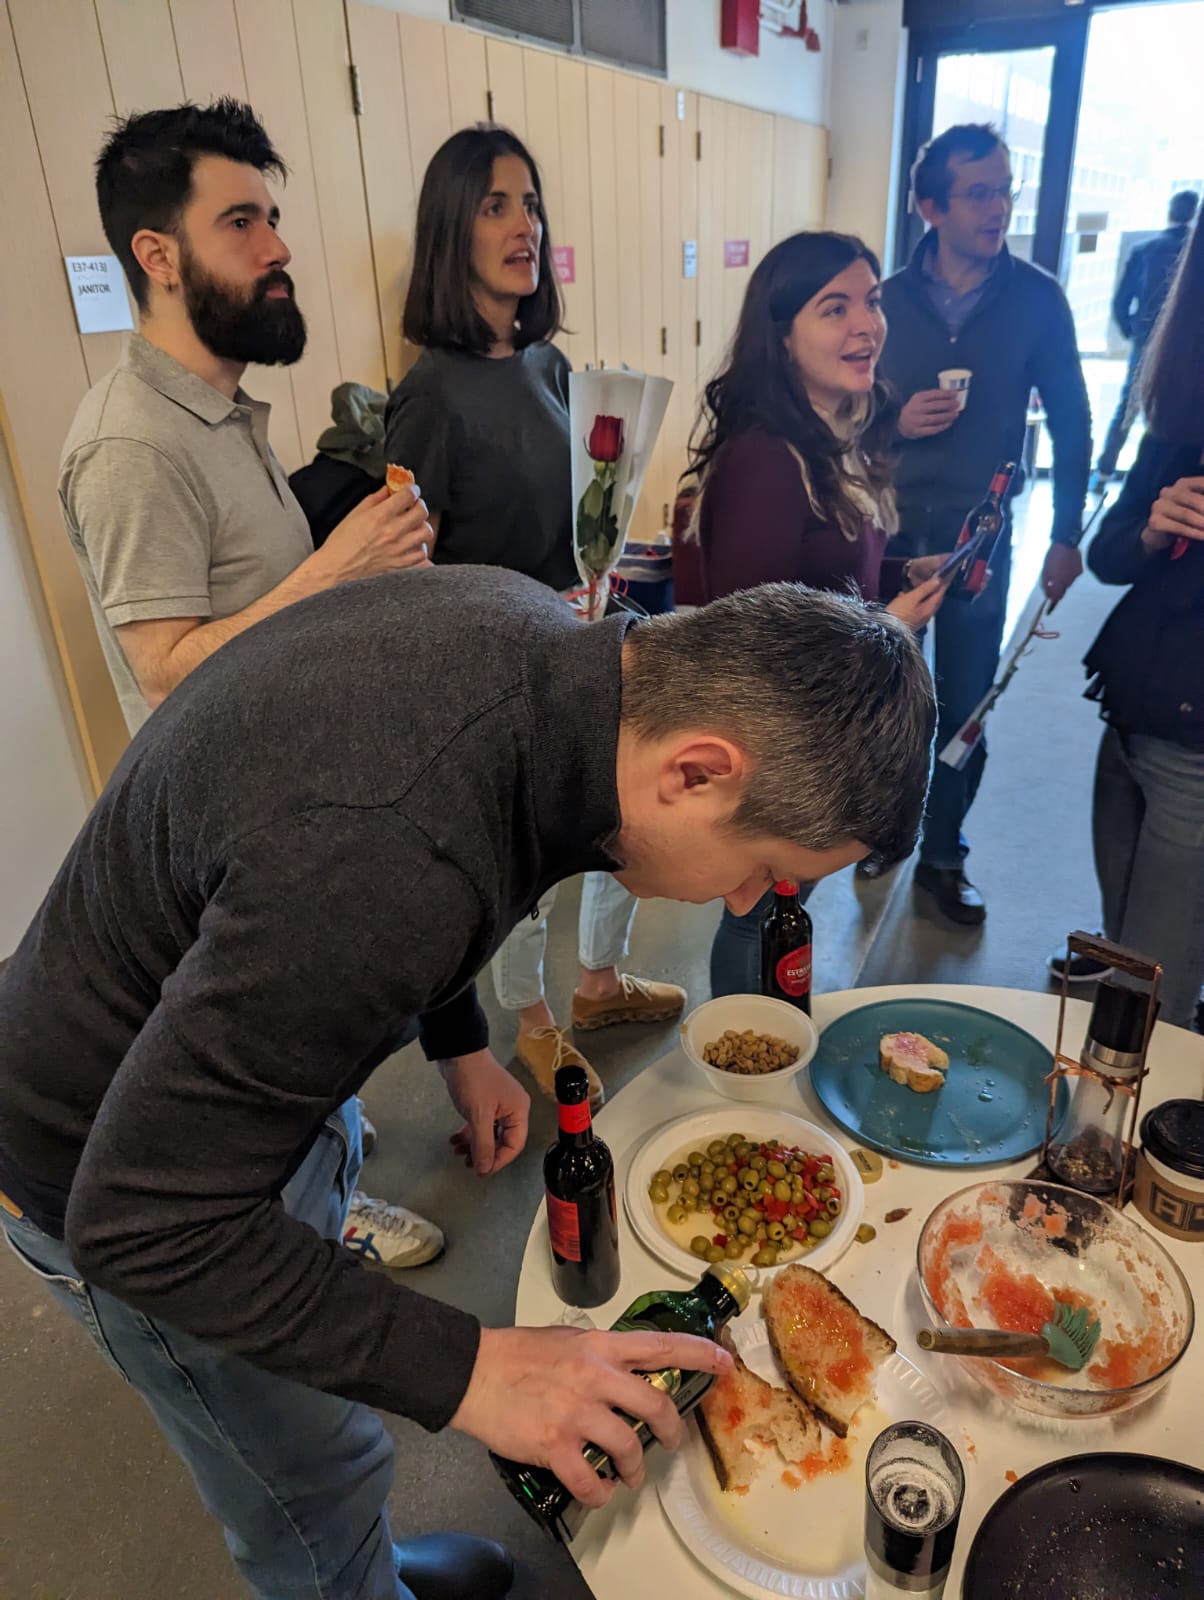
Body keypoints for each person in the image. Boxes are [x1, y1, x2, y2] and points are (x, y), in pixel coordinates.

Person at [0, 567, 936, 1600]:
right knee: (306, 1477)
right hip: (111, 1169)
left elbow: (456, 845)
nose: (752, 901)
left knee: (328, 1425)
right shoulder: (384, 861)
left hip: (243, 1052)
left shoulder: (543, 651)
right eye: (762, 867)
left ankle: (373, 1565)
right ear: (697, 772)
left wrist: (460, 1040)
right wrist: (474, 1369)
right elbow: (143, 1221)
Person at [58, 98, 444, 1268]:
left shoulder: (218, 412)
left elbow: (261, 619)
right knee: (268, 1119)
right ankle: (311, 1240)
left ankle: (332, 1189)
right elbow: (167, 670)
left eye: (272, 217)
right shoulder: (131, 443)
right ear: (158, 255)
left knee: (320, 1083)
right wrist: (337, 571)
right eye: (241, 222)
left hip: (293, 802)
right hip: (225, 835)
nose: (277, 247)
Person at [385, 126, 684, 1112]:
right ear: (451, 230)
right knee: (523, 866)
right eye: (496, 206)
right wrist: (522, 604)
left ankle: (598, 984)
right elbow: (407, 580)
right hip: (497, 671)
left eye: (531, 204)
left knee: (610, 828)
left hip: (581, 641)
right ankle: (531, 1019)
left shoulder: (549, 363)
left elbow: (577, 505)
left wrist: (607, 564)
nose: (526, 226)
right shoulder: (430, 395)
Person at [684, 230, 952, 995]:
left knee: (782, 907)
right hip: (776, 739)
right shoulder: (767, 459)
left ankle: (768, 1034)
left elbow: (822, 574)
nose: (866, 325)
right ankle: (746, 1045)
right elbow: (754, 641)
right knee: (758, 910)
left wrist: (902, 574)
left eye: (872, 301)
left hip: (816, 731)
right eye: (835, 309)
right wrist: (888, 625)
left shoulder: (829, 438)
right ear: (782, 336)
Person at [879, 122, 1091, 925]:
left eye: (1005, 190)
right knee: (883, 695)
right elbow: (841, 412)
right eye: (979, 193)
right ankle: (881, 829)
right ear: (931, 207)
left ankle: (942, 857)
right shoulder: (885, 303)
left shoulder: (1037, 299)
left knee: (966, 701)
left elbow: (1072, 420)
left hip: (981, 538)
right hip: (890, 533)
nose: (999, 207)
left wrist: (1066, 534)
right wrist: (896, 422)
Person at [1075, 210, 1204, 1029]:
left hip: (1194, 751)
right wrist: (1155, 528)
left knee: (1152, 1005)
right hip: (1131, 715)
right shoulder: (1186, 400)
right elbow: (1109, 553)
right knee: (1130, 954)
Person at [1091, 190, 1199, 494]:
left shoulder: (1145, 250)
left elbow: (1120, 303)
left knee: (1128, 408)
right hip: (1192, 352)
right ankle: (1161, 488)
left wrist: (1135, 333)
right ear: (1193, 215)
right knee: (1175, 418)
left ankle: (1104, 473)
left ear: (1170, 213)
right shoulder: (1194, 254)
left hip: (1146, 344)